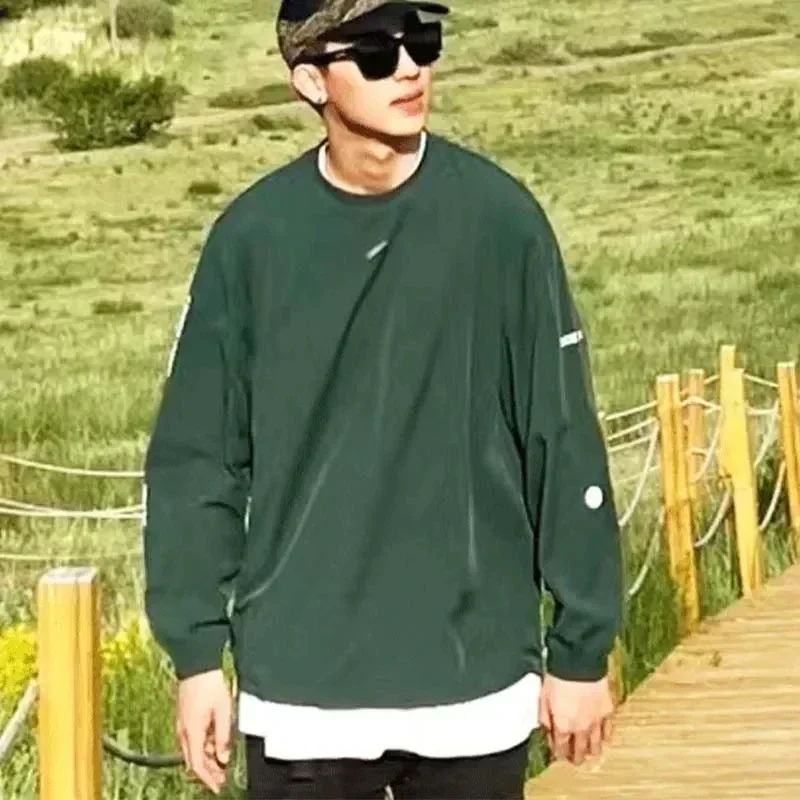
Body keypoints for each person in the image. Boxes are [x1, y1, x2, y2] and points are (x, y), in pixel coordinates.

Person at [142, 1, 625, 798]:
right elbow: (198, 461)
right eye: (372, 50)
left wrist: (582, 651)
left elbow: (562, 435)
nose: (408, 67)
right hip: (303, 696)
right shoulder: (251, 241)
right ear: (310, 81)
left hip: (475, 686)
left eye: (421, 41)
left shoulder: (502, 223)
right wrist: (196, 658)